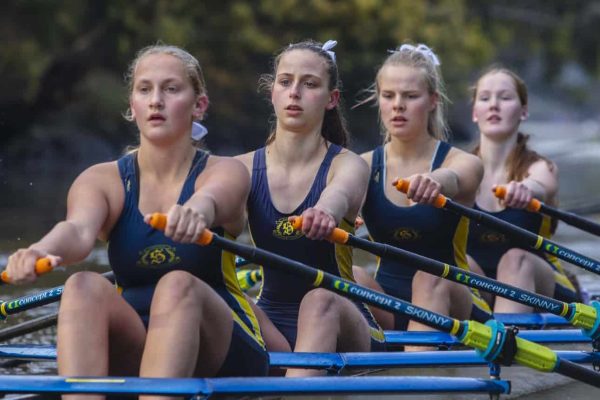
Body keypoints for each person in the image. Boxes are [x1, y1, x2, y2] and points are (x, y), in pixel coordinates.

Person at [5, 44, 268, 400]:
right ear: (132, 106)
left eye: (171, 89)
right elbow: (78, 231)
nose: (156, 100)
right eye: (145, 90)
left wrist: (196, 212)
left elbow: (212, 198)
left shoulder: (225, 171)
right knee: (81, 285)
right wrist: (38, 250)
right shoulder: (102, 180)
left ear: (199, 105)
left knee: (177, 284)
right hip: (138, 343)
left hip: (224, 348)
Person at [236, 39, 385, 377]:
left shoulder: (348, 165)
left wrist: (324, 212)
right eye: (285, 82)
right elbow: (212, 199)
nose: (294, 92)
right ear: (272, 91)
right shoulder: (240, 168)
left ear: (331, 100)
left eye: (310, 84)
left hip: (345, 323)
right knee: (219, 295)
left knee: (319, 299)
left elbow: (340, 192)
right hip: (272, 323)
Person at [353, 44, 492, 343]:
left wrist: (435, 182)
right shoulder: (362, 165)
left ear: (432, 101)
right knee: (348, 274)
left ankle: (416, 371)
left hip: (455, 300)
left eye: (410, 96)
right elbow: (337, 193)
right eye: (388, 96)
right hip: (388, 302)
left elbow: (456, 178)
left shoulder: (463, 161)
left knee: (429, 278)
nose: (397, 105)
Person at [467, 67, 578, 313]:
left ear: (524, 110)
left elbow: (540, 185)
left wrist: (525, 190)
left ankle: (507, 344)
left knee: (514, 259)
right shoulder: (459, 169)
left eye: (505, 98)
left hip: (542, 285)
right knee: (458, 264)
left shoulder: (541, 167)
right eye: (485, 98)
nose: (494, 105)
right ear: (475, 112)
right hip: (479, 282)